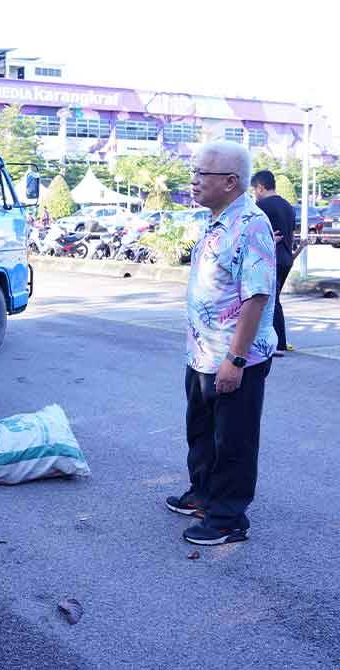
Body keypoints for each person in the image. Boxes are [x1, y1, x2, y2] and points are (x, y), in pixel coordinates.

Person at [166, 141, 277, 546]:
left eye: (201, 175)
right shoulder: (217, 220)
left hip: (235, 357)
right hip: (202, 353)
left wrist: (235, 358)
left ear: (230, 182)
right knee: (202, 430)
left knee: (233, 440)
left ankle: (229, 517)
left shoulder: (251, 223)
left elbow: (257, 295)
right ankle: (204, 494)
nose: (193, 181)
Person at [251, 170, 296, 356]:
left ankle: (278, 343)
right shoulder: (288, 206)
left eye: (255, 190)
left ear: (260, 187)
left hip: (271, 258)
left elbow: (254, 230)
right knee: (274, 299)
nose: (255, 193)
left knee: (270, 301)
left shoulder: (261, 205)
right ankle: (278, 341)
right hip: (286, 257)